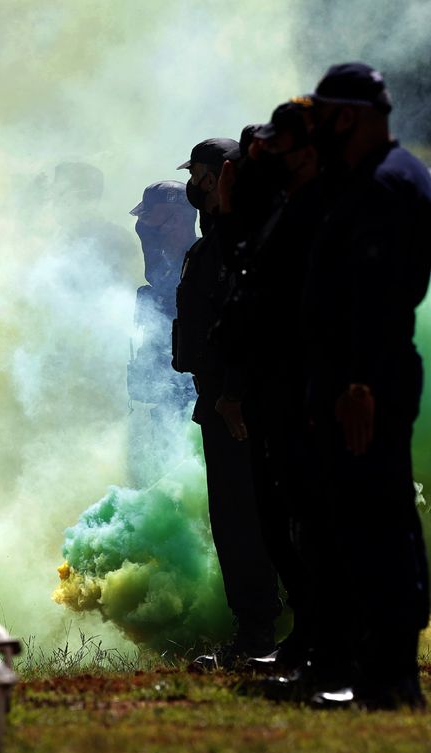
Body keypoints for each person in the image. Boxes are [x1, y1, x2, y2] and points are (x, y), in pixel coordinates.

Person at [296, 64, 431, 708]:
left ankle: (392, 676)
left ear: (347, 116)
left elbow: (379, 299)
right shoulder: (364, 180)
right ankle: (374, 668)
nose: (313, 125)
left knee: (378, 521)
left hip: (367, 381)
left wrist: (358, 381)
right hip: (357, 376)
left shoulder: (386, 185)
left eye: (321, 113)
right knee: (358, 521)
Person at [214, 100, 324, 674]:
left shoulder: (302, 218)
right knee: (276, 524)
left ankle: (338, 648)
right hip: (266, 391)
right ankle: (306, 641)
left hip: (294, 392)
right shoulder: (258, 225)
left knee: (301, 522)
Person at [173, 139, 281, 668]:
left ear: (219, 177)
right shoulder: (217, 239)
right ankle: (263, 632)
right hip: (222, 403)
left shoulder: (243, 241)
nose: (192, 184)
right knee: (238, 518)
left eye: (198, 174)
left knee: (249, 519)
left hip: (242, 407)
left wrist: (234, 394)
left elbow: (250, 326)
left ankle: (262, 635)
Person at [127, 180, 197, 485]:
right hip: (164, 394)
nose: (145, 229)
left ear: (179, 219)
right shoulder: (166, 267)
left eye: (153, 220)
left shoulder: (200, 261)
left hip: (193, 394)